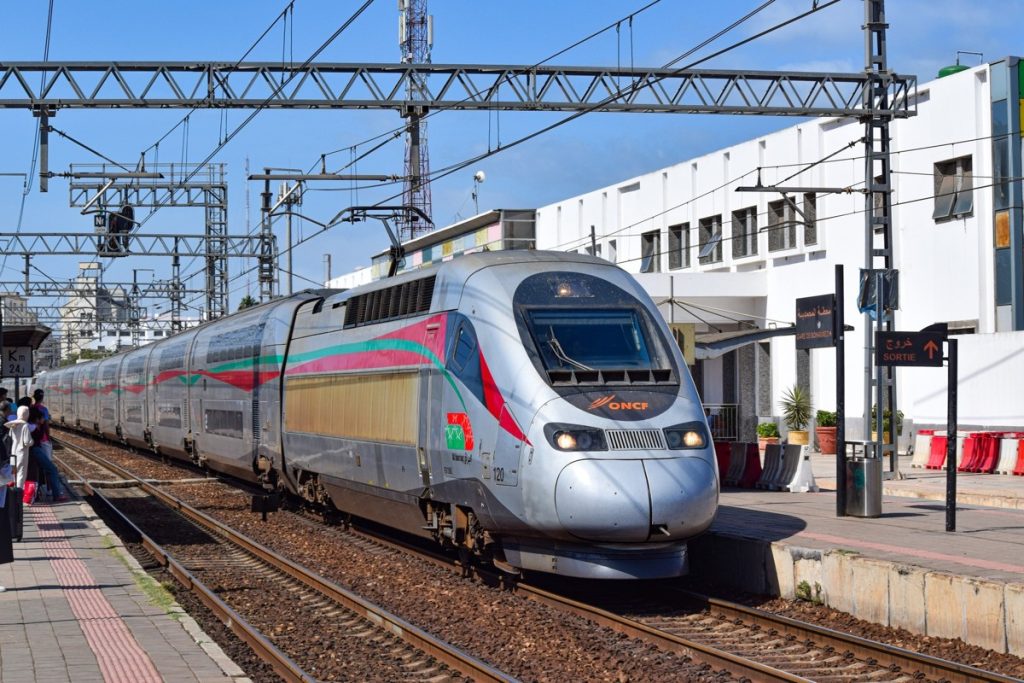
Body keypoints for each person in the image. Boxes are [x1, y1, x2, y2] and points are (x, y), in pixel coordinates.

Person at [27, 407, 67, 503]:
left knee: (44, 471)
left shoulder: (30, 426)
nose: (43, 419)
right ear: (36, 419)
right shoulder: (33, 428)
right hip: (35, 450)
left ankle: (50, 493)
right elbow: (39, 437)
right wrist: (42, 425)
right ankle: (57, 495)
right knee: (52, 469)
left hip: (35, 451)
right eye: (41, 418)